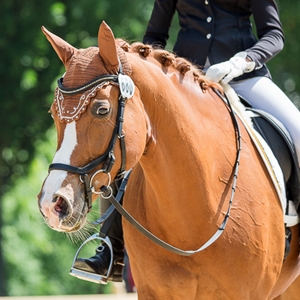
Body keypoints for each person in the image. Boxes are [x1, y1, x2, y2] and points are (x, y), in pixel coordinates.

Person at [74, 0, 300, 282]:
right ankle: (111, 250)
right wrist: (158, 69)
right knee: (125, 139)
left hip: (242, 76)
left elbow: (274, 35)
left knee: (299, 133)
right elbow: (154, 37)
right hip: (184, 83)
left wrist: (242, 61)